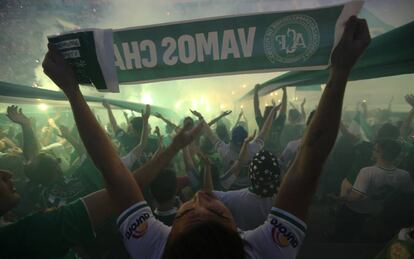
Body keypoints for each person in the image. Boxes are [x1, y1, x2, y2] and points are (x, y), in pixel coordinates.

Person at [41, 15, 370, 259]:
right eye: (216, 213)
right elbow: (308, 164)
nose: (200, 197)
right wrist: (341, 73)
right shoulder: (262, 248)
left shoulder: (155, 244)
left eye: (187, 212)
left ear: (168, 239)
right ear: (239, 237)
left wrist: (72, 91)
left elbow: (113, 170)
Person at [254, 86, 287, 156]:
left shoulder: (262, 123)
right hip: (277, 153)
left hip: (263, 153)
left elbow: (256, 107)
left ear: (264, 114)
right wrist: (285, 91)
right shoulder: (279, 122)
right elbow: (284, 107)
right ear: (275, 114)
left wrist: (256, 91)